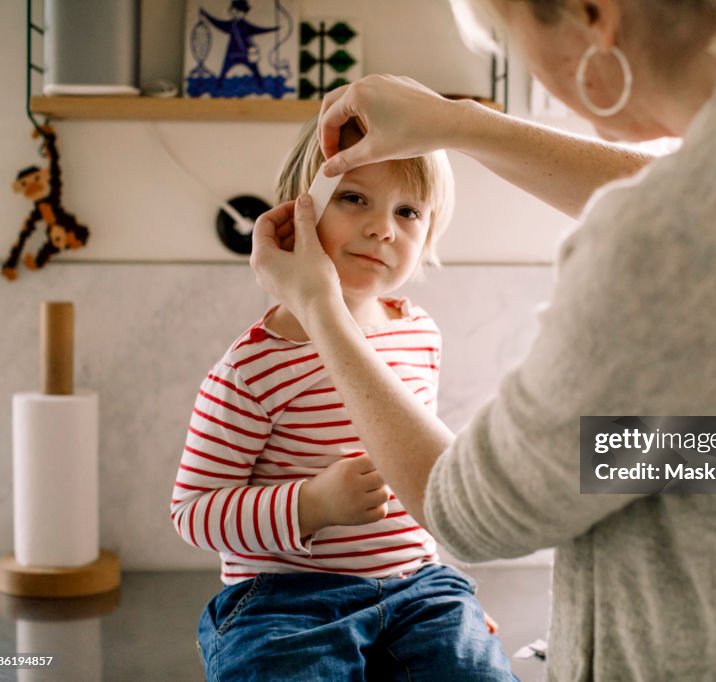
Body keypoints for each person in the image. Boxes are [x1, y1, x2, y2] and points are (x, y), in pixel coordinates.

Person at [249, 0, 716, 679]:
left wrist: (321, 310)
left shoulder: (658, 249)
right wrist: (462, 125)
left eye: (510, 36)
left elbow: (468, 512)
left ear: (592, 17)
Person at [170, 116, 516, 681]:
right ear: (294, 216)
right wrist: (311, 505)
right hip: (284, 602)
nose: (383, 228)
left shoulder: (419, 333)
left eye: (408, 212)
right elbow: (192, 513)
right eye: (354, 197)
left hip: (417, 589)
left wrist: (453, 610)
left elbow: (420, 480)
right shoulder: (253, 366)